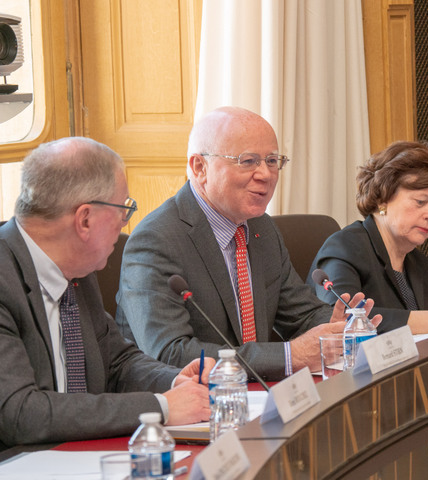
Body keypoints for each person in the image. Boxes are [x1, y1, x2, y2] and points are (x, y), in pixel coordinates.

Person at [116, 106, 380, 381]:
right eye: (248, 161)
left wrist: (339, 329)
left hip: (259, 395)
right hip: (185, 406)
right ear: (200, 167)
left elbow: (300, 313)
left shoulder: (260, 227)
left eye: (272, 161)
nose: (265, 174)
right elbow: (170, 353)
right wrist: (290, 356)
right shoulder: (156, 240)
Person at [0, 137, 213, 450]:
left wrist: (174, 381)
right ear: (85, 219)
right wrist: (161, 407)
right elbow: (20, 413)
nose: (125, 223)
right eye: (123, 209)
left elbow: (117, 362)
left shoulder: (76, 268)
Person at [308, 140, 428, 334]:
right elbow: (339, 318)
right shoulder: (344, 249)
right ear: (383, 198)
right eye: (421, 202)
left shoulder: (420, 264)